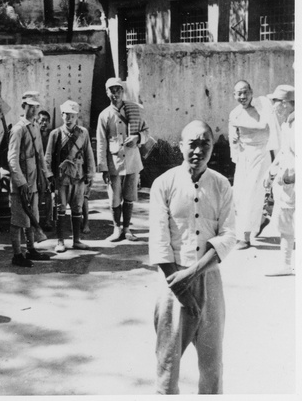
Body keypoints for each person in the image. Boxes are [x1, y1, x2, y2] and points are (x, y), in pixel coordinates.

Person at [149, 120, 235, 394]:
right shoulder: (164, 183)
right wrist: (181, 288)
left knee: (212, 366)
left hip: (208, 280)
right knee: (167, 364)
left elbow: (228, 236)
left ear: (212, 148)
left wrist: (192, 274)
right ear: (180, 146)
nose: (198, 150)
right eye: (192, 144)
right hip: (171, 282)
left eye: (205, 144)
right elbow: (159, 239)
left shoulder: (221, 185)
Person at [96, 77, 149, 242]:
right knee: (114, 197)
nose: (116, 93)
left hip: (132, 159)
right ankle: (116, 229)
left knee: (130, 195)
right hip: (115, 162)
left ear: (122, 91)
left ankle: (127, 228)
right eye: (112, 90)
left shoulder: (134, 110)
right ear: (107, 93)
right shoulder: (105, 115)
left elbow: (146, 131)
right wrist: (103, 168)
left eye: (118, 90)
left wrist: (138, 138)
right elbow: (101, 142)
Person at [8, 93, 53, 267]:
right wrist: (21, 182)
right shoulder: (18, 129)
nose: (33, 110)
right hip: (21, 183)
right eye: (30, 106)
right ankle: (17, 255)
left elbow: (40, 155)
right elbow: (12, 158)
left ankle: (31, 249)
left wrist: (46, 176)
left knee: (32, 216)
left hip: (33, 181)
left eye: (36, 107)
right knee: (18, 220)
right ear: (23, 106)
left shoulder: (35, 127)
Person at [45, 100, 95, 252]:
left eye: (72, 115)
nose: (69, 118)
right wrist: (49, 175)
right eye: (66, 115)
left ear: (77, 116)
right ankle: (60, 242)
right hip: (62, 178)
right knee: (60, 209)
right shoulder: (55, 134)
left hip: (79, 177)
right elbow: (47, 157)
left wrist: (90, 173)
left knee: (77, 208)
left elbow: (89, 154)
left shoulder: (83, 133)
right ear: (62, 115)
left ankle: (77, 240)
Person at [228, 80, 273, 249]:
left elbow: (263, 126)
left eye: (245, 92)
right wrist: (235, 140)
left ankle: (245, 237)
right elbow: (233, 137)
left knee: (251, 194)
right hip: (244, 156)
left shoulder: (261, 107)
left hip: (260, 154)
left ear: (251, 92)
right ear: (234, 95)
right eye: (239, 93)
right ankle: (260, 220)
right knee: (239, 196)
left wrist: (239, 125)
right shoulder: (234, 114)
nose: (242, 96)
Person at [264, 85, 295, 276]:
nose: (273, 106)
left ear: (285, 103)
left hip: (293, 183)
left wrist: (287, 177)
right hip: (286, 185)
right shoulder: (287, 124)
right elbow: (283, 152)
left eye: (275, 102)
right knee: (286, 226)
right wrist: (271, 169)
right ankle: (285, 264)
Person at [37, 110, 53, 231]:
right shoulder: (34, 136)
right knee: (37, 195)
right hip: (36, 170)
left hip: (48, 170)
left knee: (48, 195)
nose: (44, 123)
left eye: (46, 120)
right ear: (37, 121)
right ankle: (36, 221)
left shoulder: (52, 136)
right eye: (41, 120)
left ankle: (48, 220)